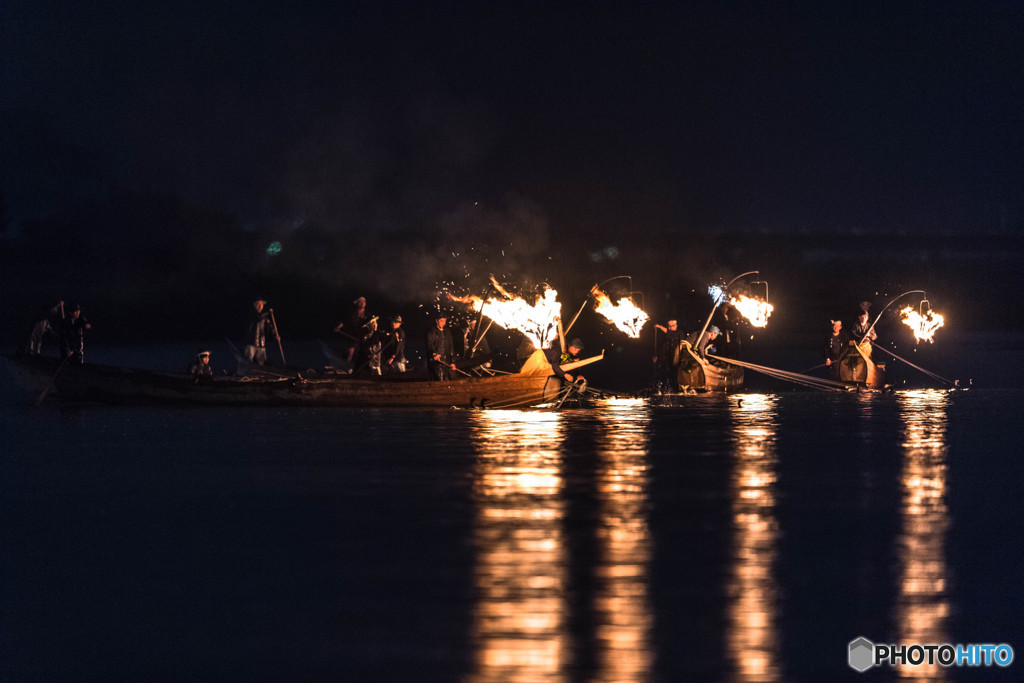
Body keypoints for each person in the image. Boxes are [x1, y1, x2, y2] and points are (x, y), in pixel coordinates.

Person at [244, 299, 279, 365]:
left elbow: (270, 328)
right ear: (254, 305)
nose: (260, 306)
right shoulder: (251, 314)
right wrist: (268, 312)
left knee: (261, 363)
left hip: (261, 345)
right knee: (248, 362)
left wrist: (275, 335)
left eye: (261, 304)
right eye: (258, 304)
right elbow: (258, 318)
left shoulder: (265, 318)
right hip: (251, 344)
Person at [334, 296, 368, 361]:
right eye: (360, 302)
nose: (362, 303)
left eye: (363, 302)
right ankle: (346, 367)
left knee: (363, 354)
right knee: (350, 353)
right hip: (353, 335)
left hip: (363, 336)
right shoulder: (352, 313)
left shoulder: (367, 314)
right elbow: (344, 321)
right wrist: (338, 327)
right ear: (357, 304)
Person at [653, 319, 682, 393]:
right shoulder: (666, 337)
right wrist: (657, 356)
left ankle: (676, 390)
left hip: (676, 358)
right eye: (669, 326)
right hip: (666, 359)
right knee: (665, 374)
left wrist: (659, 326)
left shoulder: (679, 333)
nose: (669, 327)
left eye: (673, 325)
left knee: (675, 375)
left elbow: (670, 333)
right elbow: (662, 347)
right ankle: (663, 389)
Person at [426, 313, 457, 380]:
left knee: (448, 380)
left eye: (444, 321)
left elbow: (451, 346)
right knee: (439, 380)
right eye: (441, 321)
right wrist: (434, 354)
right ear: (436, 321)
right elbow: (430, 345)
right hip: (437, 362)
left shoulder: (447, 332)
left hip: (447, 362)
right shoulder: (431, 332)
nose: (443, 323)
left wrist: (453, 362)